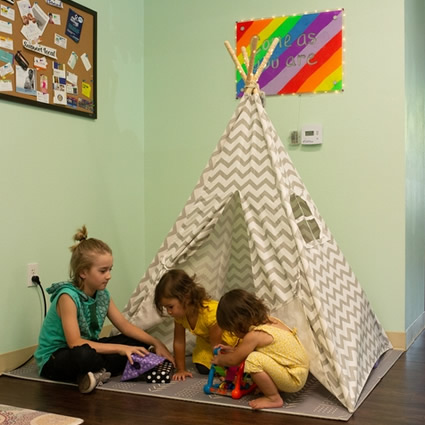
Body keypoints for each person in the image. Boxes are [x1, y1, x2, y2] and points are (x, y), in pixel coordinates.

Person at [34, 225, 174, 394]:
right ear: (83, 272)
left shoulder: (102, 294)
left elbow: (124, 325)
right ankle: (98, 370)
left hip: (90, 348)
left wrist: (155, 342)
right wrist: (120, 350)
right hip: (58, 357)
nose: (109, 275)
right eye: (103, 271)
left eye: (110, 269)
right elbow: (75, 343)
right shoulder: (67, 297)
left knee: (138, 344)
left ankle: (94, 374)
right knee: (84, 355)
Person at [213, 289, 309, 410]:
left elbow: (234, 360)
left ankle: (273, 398)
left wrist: (219, 359)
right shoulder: (271, 321)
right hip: (298, 372)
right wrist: (232, 349)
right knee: (256, 355)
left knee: (253, 360)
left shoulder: (254, 335)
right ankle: (273, 388)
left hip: (293, 379)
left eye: (233, 331)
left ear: (239, 323)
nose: (234, 335)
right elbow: (245, 351)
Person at [154, 269, 239, 381]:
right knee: (202, 367)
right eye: (166, 308)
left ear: (186, 297)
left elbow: (216, 345)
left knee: (232, 363)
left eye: (170, 307)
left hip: (227, 343)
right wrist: (181, 369)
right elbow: (179, 342)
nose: (169, 312)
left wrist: (221, 371)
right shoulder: (180, 316)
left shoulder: (210, 314)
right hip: (207, 343)